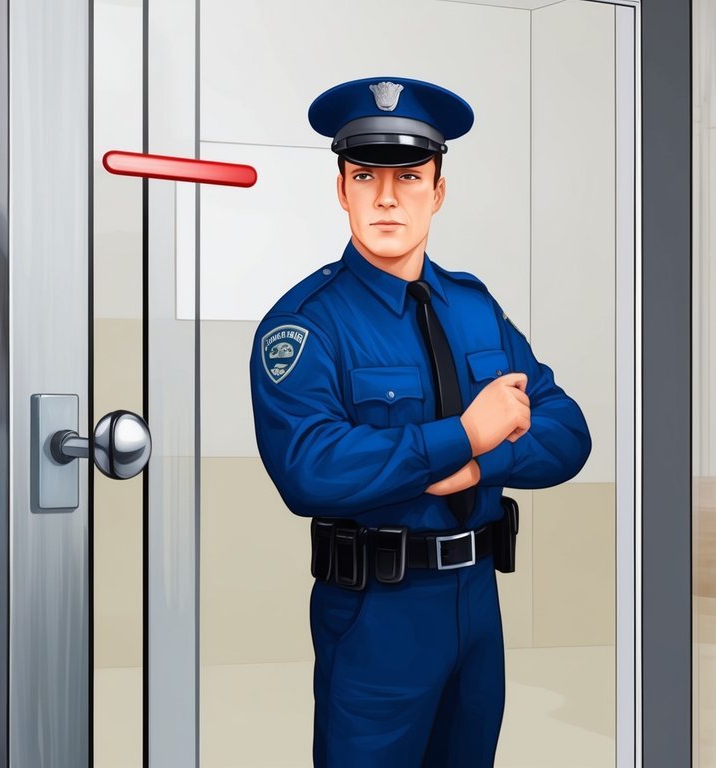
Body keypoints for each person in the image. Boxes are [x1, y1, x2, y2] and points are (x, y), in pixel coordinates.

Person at [247, 76, 592, 767]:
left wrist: (478, 465)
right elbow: (310, 469)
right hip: (378, 610)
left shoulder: (472, 307)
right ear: (339, 189)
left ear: (437, 191)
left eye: (408, 176)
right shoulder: (306, 325)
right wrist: (463, 434)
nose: (384, 197)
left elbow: (566, 431)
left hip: (475, 602)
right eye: (364, 175)